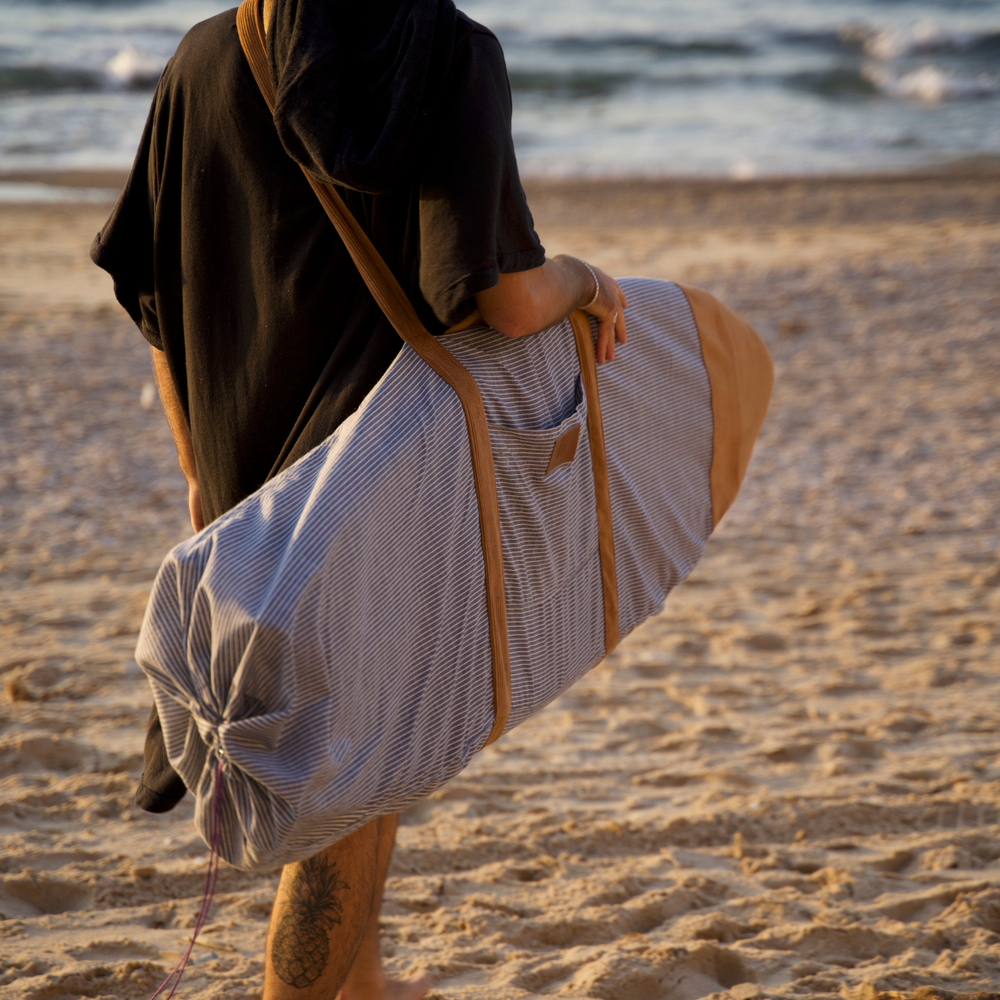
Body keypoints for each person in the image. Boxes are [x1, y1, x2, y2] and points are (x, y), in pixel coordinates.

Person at [91, 0, 626, 996]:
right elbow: (501, 299)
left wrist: (201, 471)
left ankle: (364, 980)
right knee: (343, 806)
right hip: (388, 490)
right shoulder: (450, 55)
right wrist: (588, 282)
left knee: (370, 775)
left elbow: (151, 289)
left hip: (252, 498)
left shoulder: (210, 55)